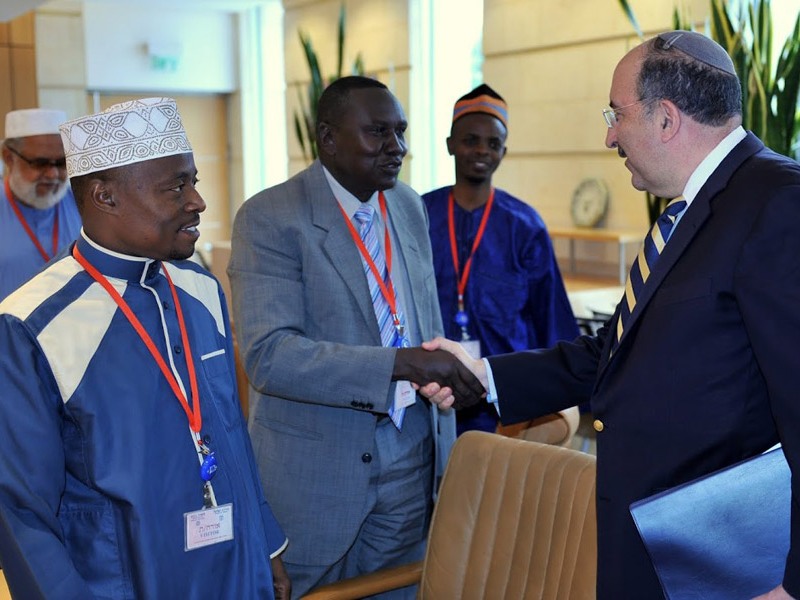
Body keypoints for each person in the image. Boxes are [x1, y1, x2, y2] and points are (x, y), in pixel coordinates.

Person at [421, 31, 800, 600]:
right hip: (651, 546)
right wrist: (484, 377)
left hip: (725, 564)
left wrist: (793, 585)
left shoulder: (778, 203)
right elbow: (615, 352)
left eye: (616, 114)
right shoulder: (689, 209)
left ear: (666, 118)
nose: (609, 136)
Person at [0, 98, 290, 599]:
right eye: (176, 186)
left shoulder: (201, 289)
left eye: (193, 181)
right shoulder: (32, 325)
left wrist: (266, 546)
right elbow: (22, 511)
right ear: (104, 197)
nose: (197, 201)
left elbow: (230, 432)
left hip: (236, 565)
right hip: (130, 579)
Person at [227, 75, 484, 598]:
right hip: (317, 472)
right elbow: (269, 355)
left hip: (411, 458)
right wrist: (401, 365)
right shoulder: (271, 217)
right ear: (327, 137)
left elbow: (424, 326)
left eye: (401, 132)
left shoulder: (409, 207)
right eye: (377, 133)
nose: (398, 148)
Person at [422, 84, 578, 434]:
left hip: (503, 407)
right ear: (450, 144)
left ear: (504, 152)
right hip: (429, 397)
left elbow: (551, 321)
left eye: (493, 144)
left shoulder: (525, 226)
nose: (481, 150)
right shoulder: (418, 216)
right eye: (470, 140)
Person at [0, 108, 82, 301]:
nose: (53, 174)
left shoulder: (84, 205)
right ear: (8, 158)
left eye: (62, 163)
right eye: (39, 163)